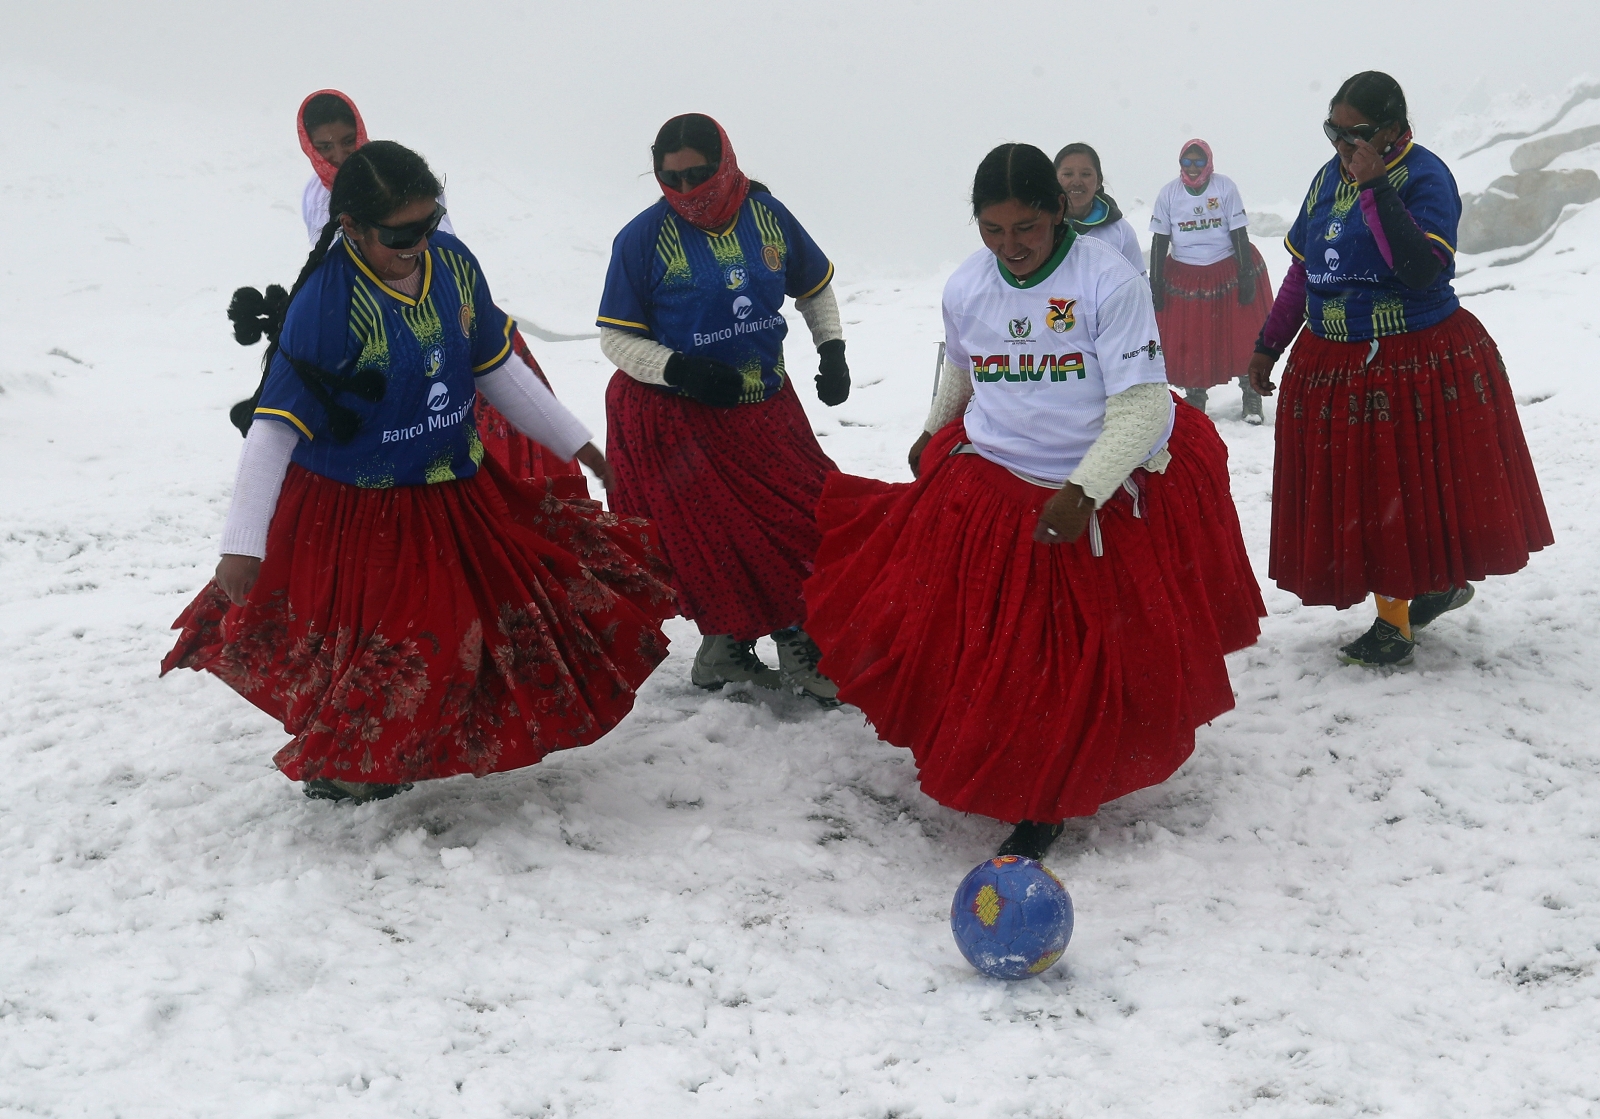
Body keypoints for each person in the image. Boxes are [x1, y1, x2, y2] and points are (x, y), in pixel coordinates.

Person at [163, 141, 676, 803]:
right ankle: (348, 759)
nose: (419, 243)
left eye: (429, 224)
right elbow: (273, 426)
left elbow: (495, 368)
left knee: (480, 624)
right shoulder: (328, 301)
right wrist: (242, 542)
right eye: (401, 233)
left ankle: (368, 754)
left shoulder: (454, 266)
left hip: (454, 489)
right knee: (405, 642)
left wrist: (581, 446)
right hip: (357, 506)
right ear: (349, 226)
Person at [802, 143, 1265, 862]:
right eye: (992, 230)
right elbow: (962, 365)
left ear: (1057, 213)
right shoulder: (966, 286)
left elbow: (1143, 408)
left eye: (1026, 228)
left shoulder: (1108, 281)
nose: (1010, 246)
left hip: (1088, 483)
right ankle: (1009, 763)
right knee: (990, 648)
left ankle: (1045, 794)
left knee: (1071, 662)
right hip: (994, 478)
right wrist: (931, 430)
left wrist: (1084, 490)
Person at [1248, 72, 1553, 667]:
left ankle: (1395, 624)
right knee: (1369, 488)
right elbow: (1303, 269)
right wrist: (1268, 344)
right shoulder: (1325, 178)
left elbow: (1420, 268)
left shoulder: (1425, 176)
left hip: (1411, 361)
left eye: (1355, 132)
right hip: (1336, 359)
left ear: (1390, 129)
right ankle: (1434, 585)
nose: (1341, 143)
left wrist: (1375, 188)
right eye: (1332, 129)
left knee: (1395, 488)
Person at [595, 113, 850, 703]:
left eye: (700, 174)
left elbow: (813, 286)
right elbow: (615, 337)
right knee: (721, 540)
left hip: (764, 402)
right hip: (679, 418)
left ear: (728, 162)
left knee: (803, 520)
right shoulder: (641, 239)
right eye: (672, 178)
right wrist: (679, 369)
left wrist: (831, 349)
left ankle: (779, 642)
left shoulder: (768, 216)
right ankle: (734, 649)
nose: (688, 191)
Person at [233, 90, 584, 496]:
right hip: (368, 334)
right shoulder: (314, 196)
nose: (339, 155)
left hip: (445, 322)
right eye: (325, 147)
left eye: (349, 141)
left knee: (480, 456)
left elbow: (434, 257)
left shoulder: (399, 183)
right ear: (308, 147)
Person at [1149, 140, 1272, 423]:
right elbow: (1160, 239)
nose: (1193, 169)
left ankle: (1251, 394)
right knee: (1193, 340)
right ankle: (1195, 396)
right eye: (1187, 163)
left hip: (1226, 268)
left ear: (1209, 163)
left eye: (1199, 162)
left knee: (1242, 335)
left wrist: (1245, 274)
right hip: (1186, 274)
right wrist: (1156, 281)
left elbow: (1238, 231)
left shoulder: (1224, 188)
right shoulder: (1169, 194)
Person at [1054, 143, 1144, 275]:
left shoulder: (1120, 231)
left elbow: (1139, 287)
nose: (1077, 182)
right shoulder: (1040, 227)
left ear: (1098, 182)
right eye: (1068, 174)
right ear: (1054, 180)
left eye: (1085, 174)